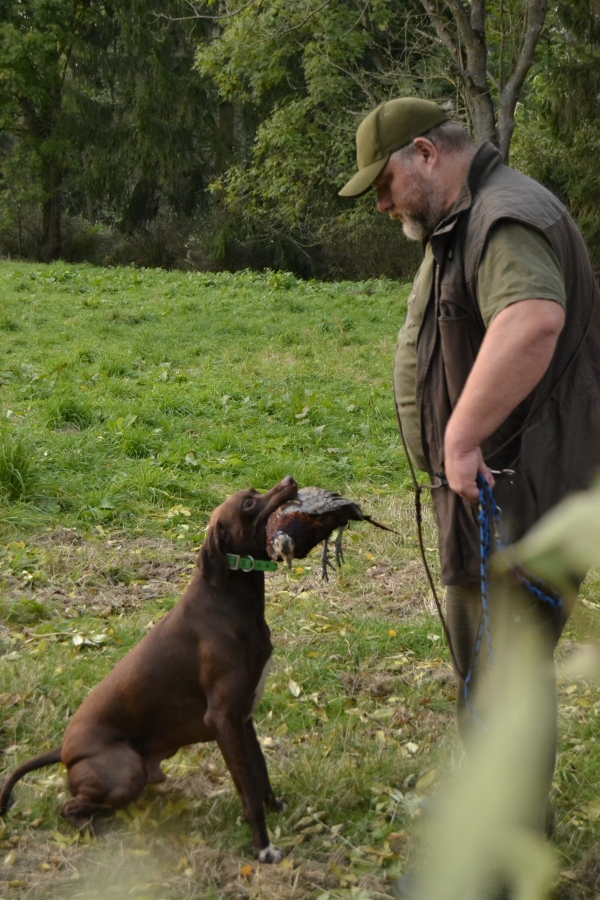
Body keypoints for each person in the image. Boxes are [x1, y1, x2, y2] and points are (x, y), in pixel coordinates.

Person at [339, 97, 600, 834]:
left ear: (425, 153)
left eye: (384, 184)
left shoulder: (503, 217)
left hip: (517, 495)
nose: (382, 204)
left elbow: (532, 319)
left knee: (504, 674)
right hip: (496, 489)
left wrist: (459, 435)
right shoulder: (465, 221)